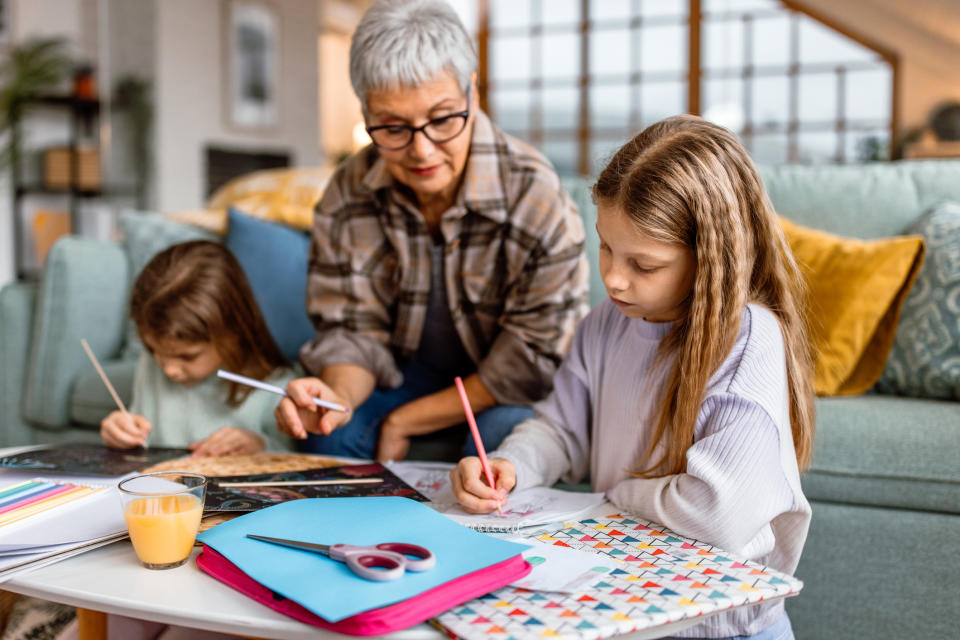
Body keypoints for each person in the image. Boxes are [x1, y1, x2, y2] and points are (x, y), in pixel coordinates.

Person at [451, 115, 816, 639]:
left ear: (710, 259)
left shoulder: (748, 338)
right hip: (630, 616)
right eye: (605, 247)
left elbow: (718, 516)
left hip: (725, 630)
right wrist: (512, 465)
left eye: (644, 265)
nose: (614, 279)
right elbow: (560, 429)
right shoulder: (608, 322)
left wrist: (618, 495)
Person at [275, 0, 589, 462]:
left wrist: (409, 420)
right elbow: (354, 334)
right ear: (366, 113)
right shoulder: (348, 195)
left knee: (507, 441)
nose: (421, 151)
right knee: (328, 436)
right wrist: (335, 397)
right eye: (393, 127)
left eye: (442, 119)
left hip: (505, 388)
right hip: (406, 375)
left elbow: (531, 361)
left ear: (472, 94)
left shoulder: (535, 196)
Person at [100, 240, 295, 456]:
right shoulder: (151, 364)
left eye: (187, 356)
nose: (169, 369)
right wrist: (120, 433)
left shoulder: (277, 386)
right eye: (155, 350)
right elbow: (137, 443)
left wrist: (260, 446)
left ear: (232, 333)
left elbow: (296, 466)